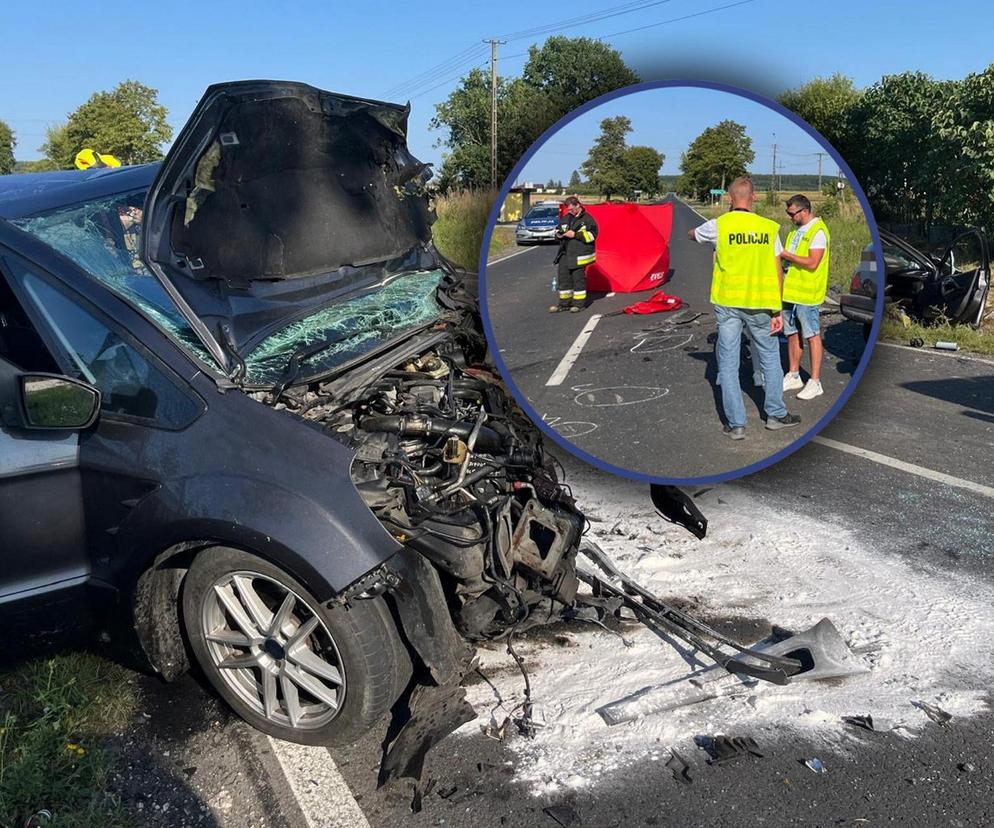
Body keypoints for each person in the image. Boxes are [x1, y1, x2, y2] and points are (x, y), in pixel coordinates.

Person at [688, 177, 801, 439]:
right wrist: (777, 309)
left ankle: (736, 424)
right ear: (754, 197)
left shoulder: (721, 225)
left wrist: (703, 236)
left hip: (728, 304)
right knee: (771, 359)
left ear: (730, 199)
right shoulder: (769, 228)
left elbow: (691, 234)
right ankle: (775, 414)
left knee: (727, 364)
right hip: (761, 304)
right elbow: (777, 272)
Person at [779, 195, 830, 400]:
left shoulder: (817, 232)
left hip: (807, 292)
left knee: (812, 334)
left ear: (804, 211)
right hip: (790, 290)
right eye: (788, 214)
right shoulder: (794, 230)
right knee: (791, 332)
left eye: (792, 214)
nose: (790, 217)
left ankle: (815, 381)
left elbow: (812, 262)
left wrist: (784, 255)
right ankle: (793, 374)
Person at [550, 196, 598, 313]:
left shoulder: (588, 219)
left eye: (572, 209)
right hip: (565, 253)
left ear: (578, 205)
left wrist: (576, 235)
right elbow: (557, 230)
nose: (570, 211)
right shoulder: (566, 218)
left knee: (578, 280)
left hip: (580, 255)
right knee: (564, 279)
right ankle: (564, 304)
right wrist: (559, 235)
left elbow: (592, 235)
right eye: (568, 210)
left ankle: (578, 304)